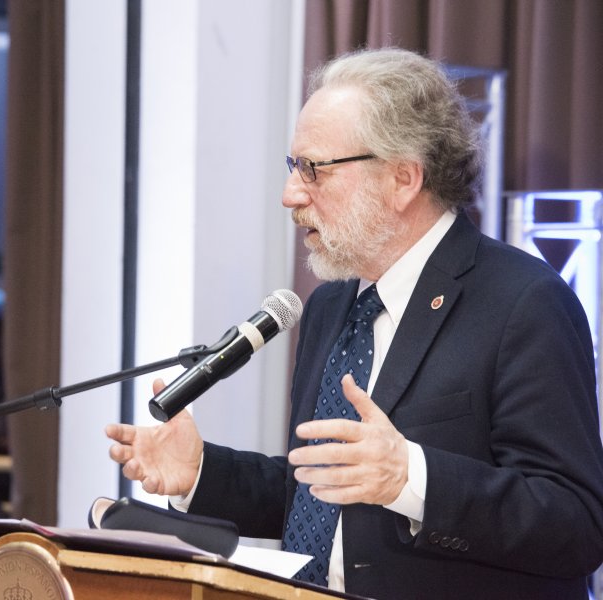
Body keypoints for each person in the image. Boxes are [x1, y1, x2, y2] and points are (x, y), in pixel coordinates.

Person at [105, 47, 603, 600]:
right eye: (293, 168)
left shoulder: (525, 302)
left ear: (402, 178)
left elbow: (576, 523)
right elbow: (319, 497)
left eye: (314, 170)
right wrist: (201, 471)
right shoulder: (330, 305)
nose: (290, 195)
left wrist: (411, 477)